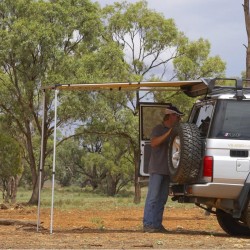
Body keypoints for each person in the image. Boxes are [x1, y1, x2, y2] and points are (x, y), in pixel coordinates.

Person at [143, 105, 184, 233]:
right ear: (171, 115)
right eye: (177, 116)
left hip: (168, 171)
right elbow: (154, 143)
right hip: (157, 169)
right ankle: (148, 224)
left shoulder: (176, 132)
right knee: (153, 197)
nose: (179, 119)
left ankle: (157, 224)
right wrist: (169, 133)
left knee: (162, 199)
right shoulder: (158, 129)